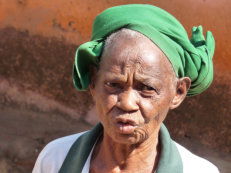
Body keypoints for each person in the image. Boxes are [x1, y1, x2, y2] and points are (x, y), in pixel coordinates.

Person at [32, 4, 219, 173]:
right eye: (113, 85)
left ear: (178, 93)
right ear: (93, 82)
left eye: (146, 88)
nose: (127, 103)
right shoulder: (56, 159)